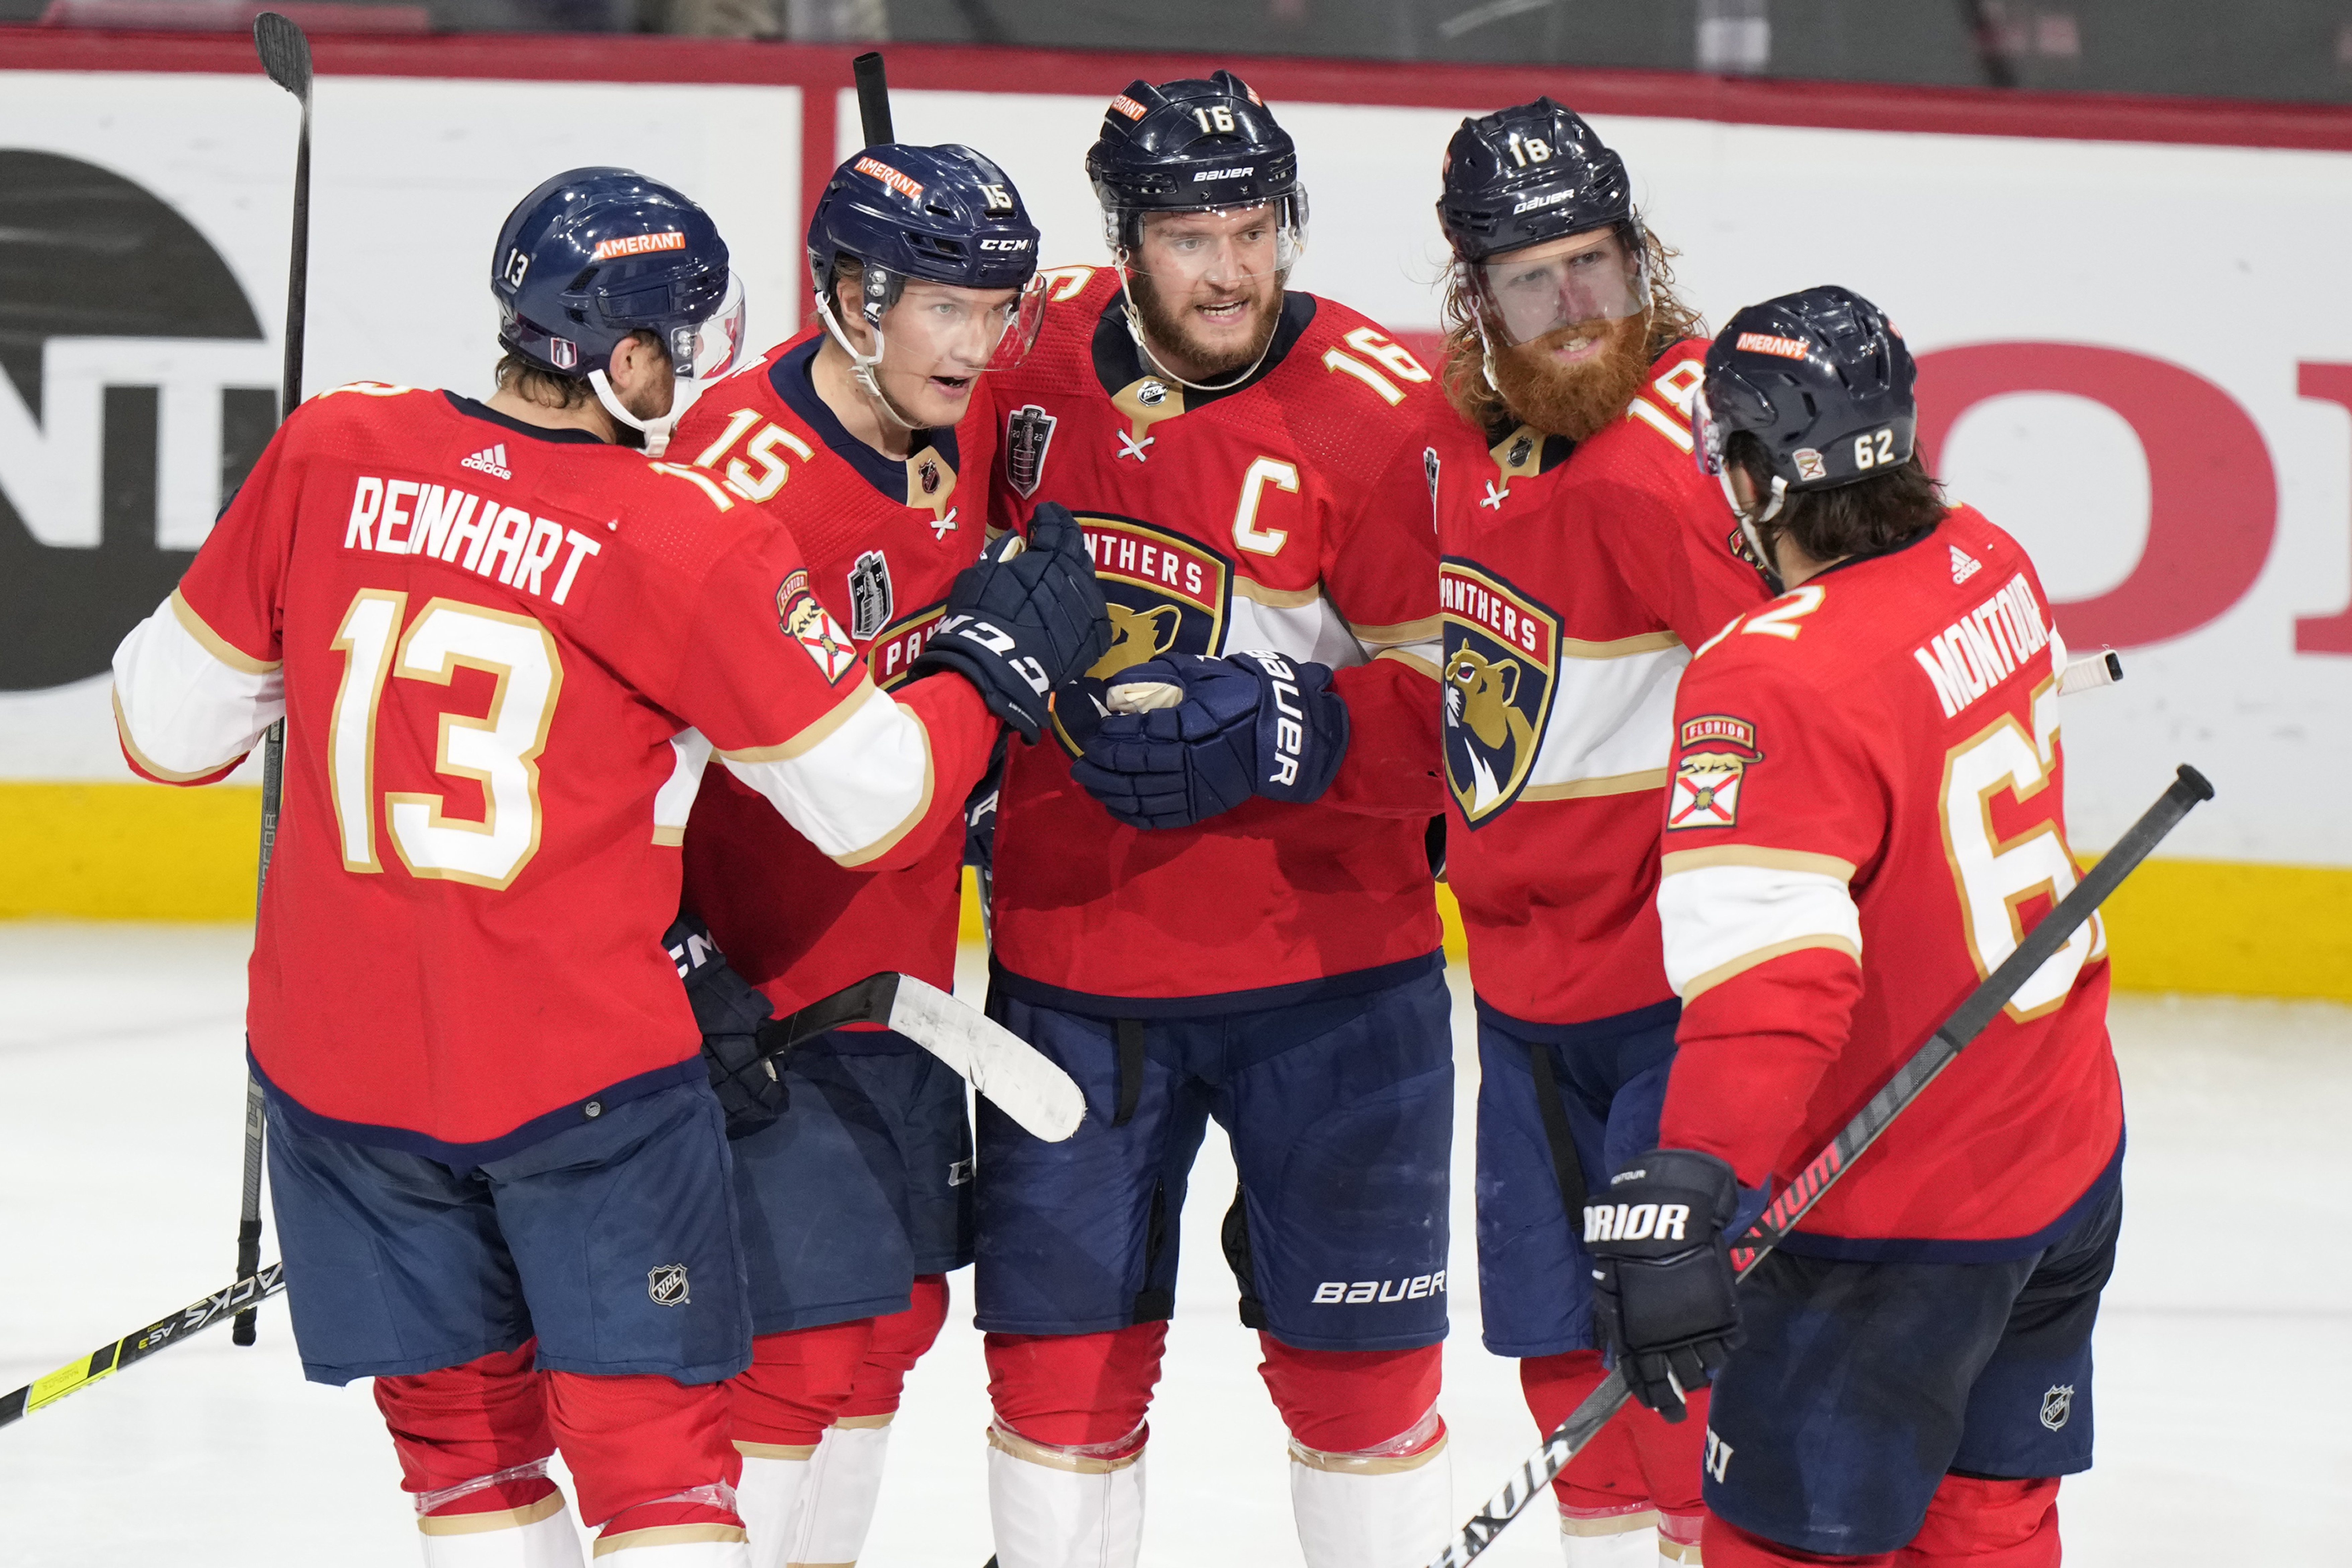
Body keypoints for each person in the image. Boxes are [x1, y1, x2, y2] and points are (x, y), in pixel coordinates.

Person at [107, 167, 1103, 1568]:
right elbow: (873, 800)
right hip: (578, 1075)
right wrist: (987, 671)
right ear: (628, 356)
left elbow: (162, 728)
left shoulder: (332, 445)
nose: (698, 378)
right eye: (684, 347)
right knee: (656, 1477)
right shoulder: (678, 530)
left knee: (466, 1453)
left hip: (337, 1076)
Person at [975, 71, 1454, 1568]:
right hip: (1072, 968)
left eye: (1255, 227)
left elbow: (1473, 718)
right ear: (1122, 238)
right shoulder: (1019, 352)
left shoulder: (1387, 413)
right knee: (1059, 1380)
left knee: (1359, 1387)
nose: (1233, 269)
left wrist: (1291, 726)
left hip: (1334, 983)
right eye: (1190, 235)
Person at [1586, 286, 2123, 1568]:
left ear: (1761, 475)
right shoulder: (1990, 558)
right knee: (1990, 1522)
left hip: (1899, 1222)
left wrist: (1691, 1186)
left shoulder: (1767, 676)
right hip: (2063, 1155)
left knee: (1793, 1550)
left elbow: (1781, 986)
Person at [660, 142, 1047, 1568]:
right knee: (800, 1342)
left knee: (890, 1325)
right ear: (843, 295)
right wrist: (671, 956)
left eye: (992, 305)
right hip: (752, 992)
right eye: (942, 304)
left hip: (895, 975)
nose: (976, 340)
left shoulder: (957, 406)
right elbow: (631, 740)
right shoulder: (734, 476)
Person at [1425, 100, 1770, 1567]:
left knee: (1686, 1353)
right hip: (1518, 993)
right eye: (1532, 280)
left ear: (1643, 257)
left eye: (1599, 266)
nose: (1576, 312)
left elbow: (1790, 696)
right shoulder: (1449, 434)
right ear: (1474, 295)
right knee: (1558, 1345)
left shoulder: (1671, 453)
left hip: (1670, 1002)